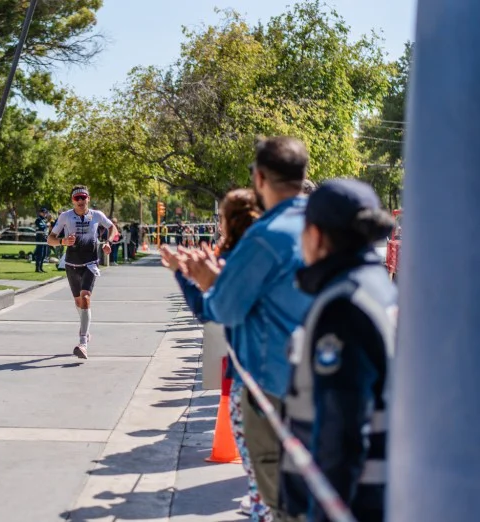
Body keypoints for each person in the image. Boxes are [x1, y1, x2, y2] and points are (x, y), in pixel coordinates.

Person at [181, 136, 314, 521]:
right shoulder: (326, 229)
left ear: (259, 178)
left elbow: (222, 309)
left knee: (272, 500)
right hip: (323, 383)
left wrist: (207, 280)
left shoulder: (265, 236)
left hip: (268, 385)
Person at [280, 179, 396, 522]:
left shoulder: (343, 306)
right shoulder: (379, 289)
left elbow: (341, 431)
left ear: (316, 235)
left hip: (351, 503)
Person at [161, 189, 271, 521]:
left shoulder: (237, 261)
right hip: (287, 375)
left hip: (248, 376)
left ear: (229, 221)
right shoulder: (272, 254)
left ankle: (260, 507)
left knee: (260, 471)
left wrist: (181, 272)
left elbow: (207, 309)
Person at [48, 185, 118, 359]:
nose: (80, 201)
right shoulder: (65, 216)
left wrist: (108, 242)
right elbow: (50, 239)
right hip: (71, 264)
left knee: (85, 298)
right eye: (76, 198)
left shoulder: (97, 215)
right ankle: (86, 331)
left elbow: (112, 228)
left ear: (88, 199)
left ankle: (83, 343)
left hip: (90, 264)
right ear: (73, 201)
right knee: (79, 302)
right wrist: (63, 242)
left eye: (83, 197)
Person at [34, 207, 50, 273]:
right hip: (40, 238)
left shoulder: (44, 220)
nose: (44, 214)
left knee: (44, 254)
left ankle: (41, 267)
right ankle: (37, 268)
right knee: (40, 253)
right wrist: (46, 225)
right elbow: (41, 227)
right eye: (43, 212)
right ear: (40, 213)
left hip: (45, 238)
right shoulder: (38, 220)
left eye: (45, 213)